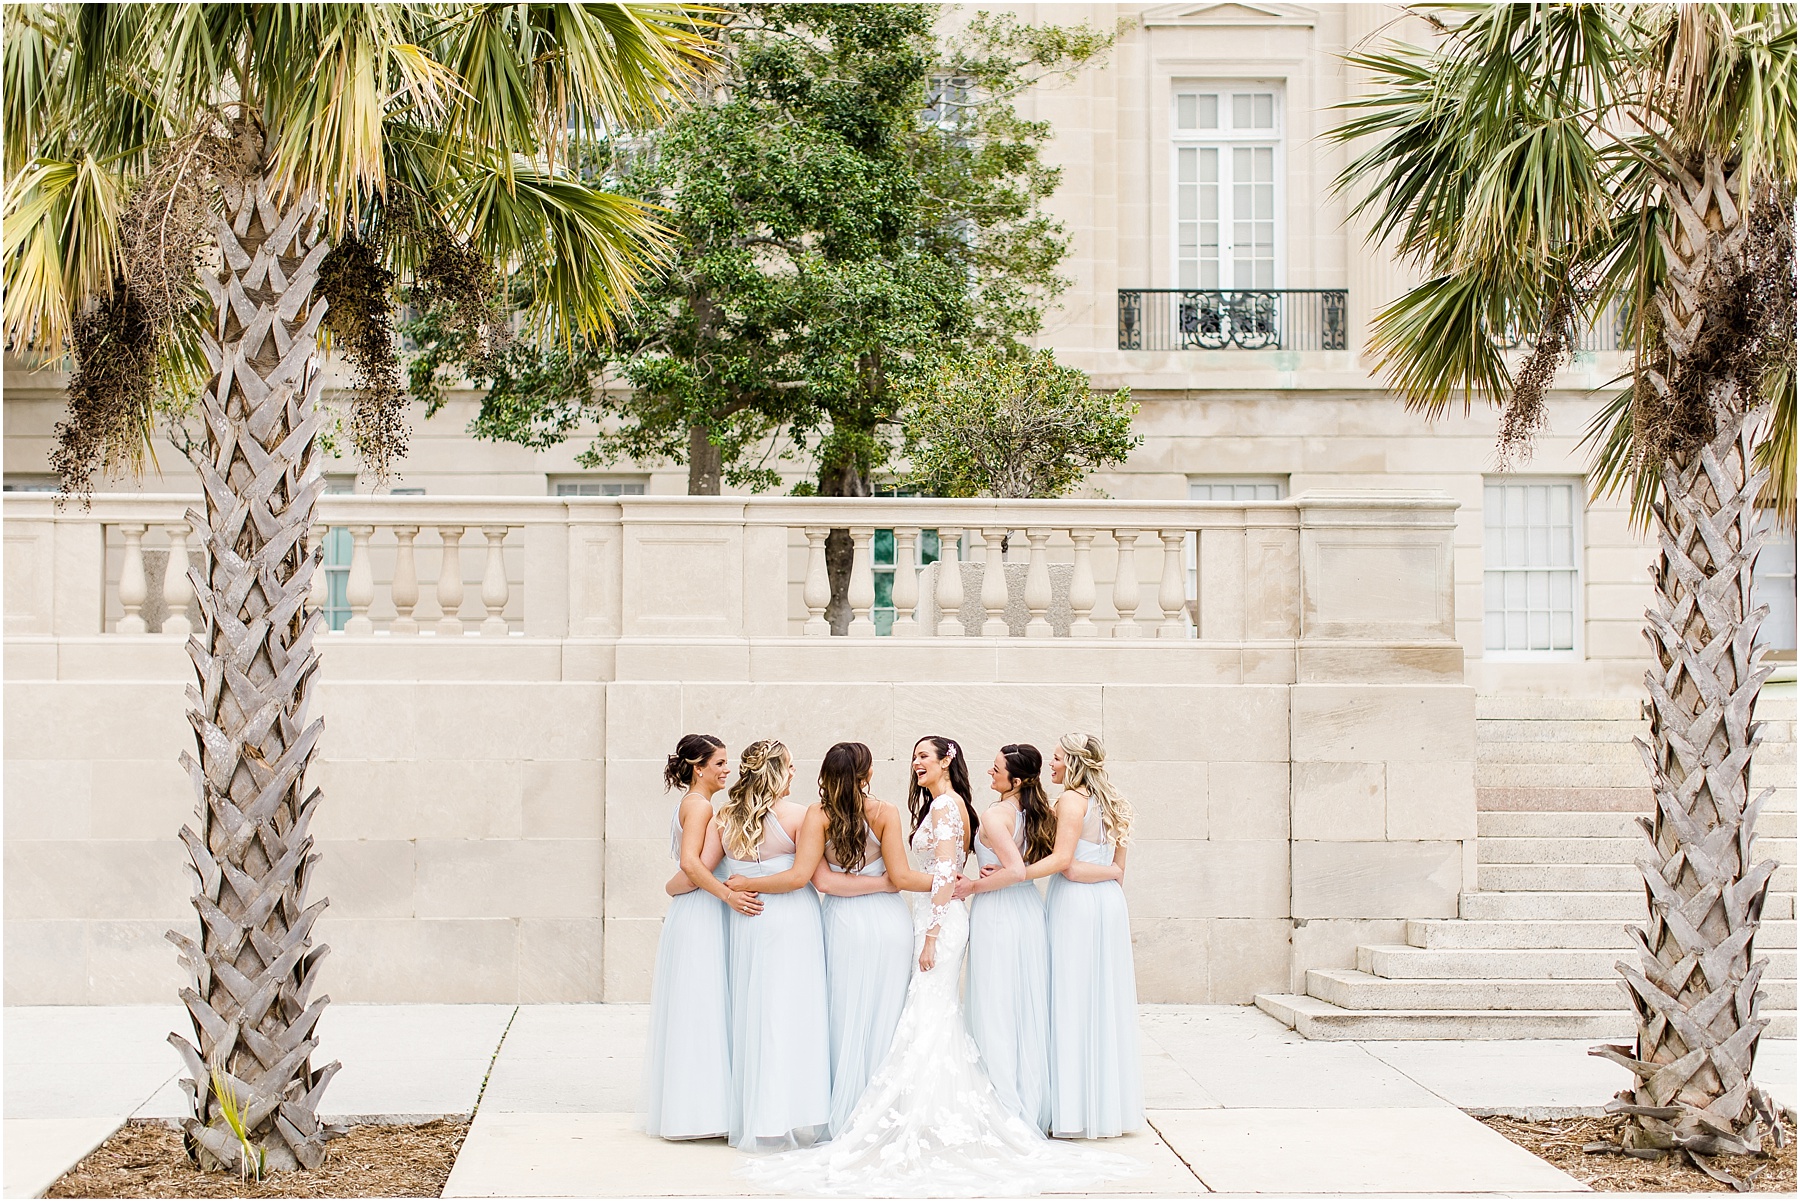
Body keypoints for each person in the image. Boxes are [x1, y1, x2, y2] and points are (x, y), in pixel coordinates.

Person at [740, 736, 1142, 1196]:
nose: (915, 763)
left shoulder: (948, 808)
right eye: (913, 756)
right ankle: (921, 1107)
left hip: (941, 921)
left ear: (946, 761)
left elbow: (949, 874)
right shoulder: (941, 806)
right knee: (928, 1013)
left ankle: (924, 1113)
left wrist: (933, 932)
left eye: (923, 756)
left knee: (929, 1013)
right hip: (935, 915)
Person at [643, 735, 761, 1141]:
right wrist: (728, 894)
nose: (727, 770)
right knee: (702, 1006)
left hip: (695, 908)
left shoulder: (693, 805)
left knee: (699, 1005)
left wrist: (675, 887)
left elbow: (682, 876)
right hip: (703, 911)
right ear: (698, 767)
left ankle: (697, 1109)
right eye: (720, 763)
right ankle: (700, 1114)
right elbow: (690, 864)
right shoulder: (700, 806)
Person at [716, 739, 831, 1150]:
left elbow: (698, 866)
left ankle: (761, 1113)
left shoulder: (726, 816)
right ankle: (792, 1112)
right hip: (791, 919)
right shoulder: (803, 814)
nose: (796, 773)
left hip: (747, 919)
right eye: (792, 766)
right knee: (793, 1011)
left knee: (758, 1010)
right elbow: (800, 877)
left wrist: (735, 889)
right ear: (777, 771)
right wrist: (745, 886)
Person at [807, 741, 923, 1135]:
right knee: (887, 1009)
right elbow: (898, 878)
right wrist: (880, 884)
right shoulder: (885, 812)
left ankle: (848, 1104)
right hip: (888, 922)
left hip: (842, 920)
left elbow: (822, 880)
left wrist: (857, 883)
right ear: (867, 775)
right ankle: (885, 1109)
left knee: (843, 1007)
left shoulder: (817, 815)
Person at [1031, 731, 1143, 1139]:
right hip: (1110, 903)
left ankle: (1071, 1109)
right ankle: (1106, 1106)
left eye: (1058, 758)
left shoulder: (1071, 802)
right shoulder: (1115, 805)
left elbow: (1069, 867)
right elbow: (1117, 869)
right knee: (1103, 998)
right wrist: (1112, 873)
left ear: (1075, 762)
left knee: (1071, 995)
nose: (1052, 765)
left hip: (1076, 903)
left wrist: (1016, 874)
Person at [952, 743, 1056, 1131]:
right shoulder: (1033, 812)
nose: (989, 773)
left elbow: (1015, 869)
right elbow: (1025, 864)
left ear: (1016, 779)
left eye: (996, 770)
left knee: (996, 1004)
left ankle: (1003, 1109)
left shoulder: (996, 815)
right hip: (1027, 911)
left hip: (999, 911)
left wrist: (974, 886)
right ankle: (1025, 1102)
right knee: (1021, 1005)